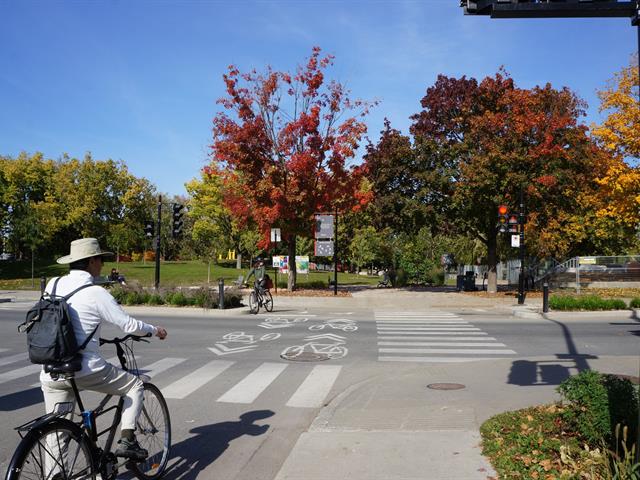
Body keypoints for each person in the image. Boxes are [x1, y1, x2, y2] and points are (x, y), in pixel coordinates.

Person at [40, 238, 168, 460]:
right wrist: (155, 330)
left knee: (57, 433)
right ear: (91, 261)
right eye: (101, 259)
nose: (102, 265)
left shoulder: (54, 284)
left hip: (51, 367)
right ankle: (128, 440)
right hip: (85, 368)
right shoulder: (96, 293)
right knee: (135, 385)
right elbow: (129, 325)